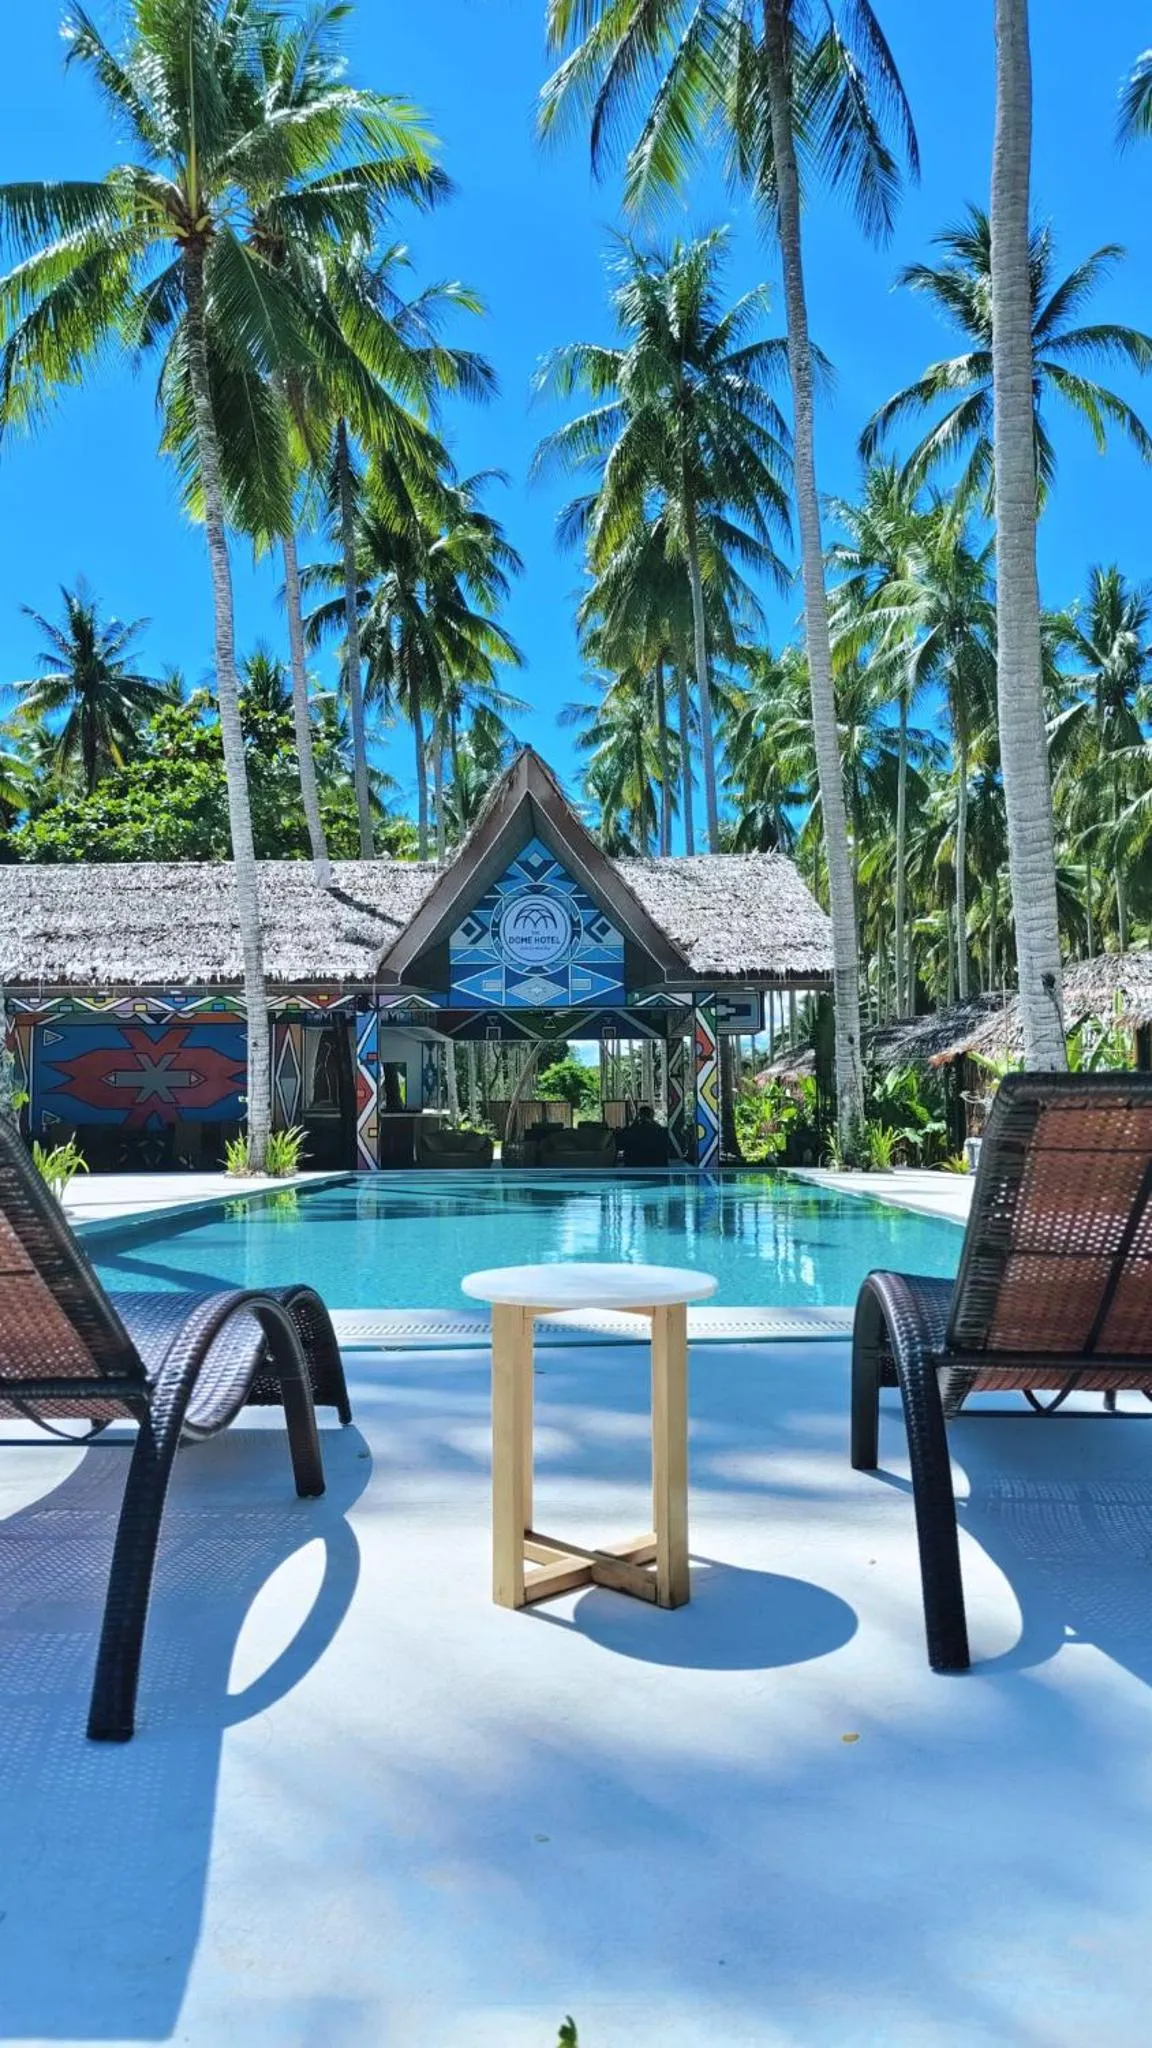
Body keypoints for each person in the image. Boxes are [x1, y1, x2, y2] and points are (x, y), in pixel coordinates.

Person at [616, 1103, 670, 1168]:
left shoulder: (631, 1131)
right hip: (657, 1168)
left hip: (633, 1168)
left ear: (639, 1116)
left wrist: (633, 1124)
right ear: (652, 1116)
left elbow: (620, 1146)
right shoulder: (662, 1131)